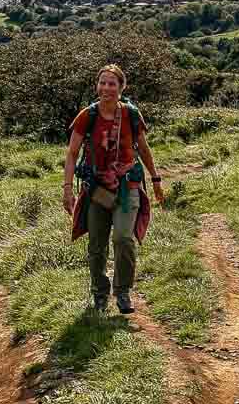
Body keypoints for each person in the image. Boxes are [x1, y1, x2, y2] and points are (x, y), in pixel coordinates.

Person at [64, 64, 164, 314]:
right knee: (96, 246)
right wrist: (68, 189)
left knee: (122, 238)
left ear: (121, 88)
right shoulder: (88, 116)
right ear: (97, 86)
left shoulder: (131, 114)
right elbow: (72, 153)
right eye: (103, 83)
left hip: (127, 185)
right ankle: (99, 293)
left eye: (112, 83)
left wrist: (156, 179)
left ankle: (122, 292)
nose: (106, 88)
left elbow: (143, 147)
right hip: (97, 188)